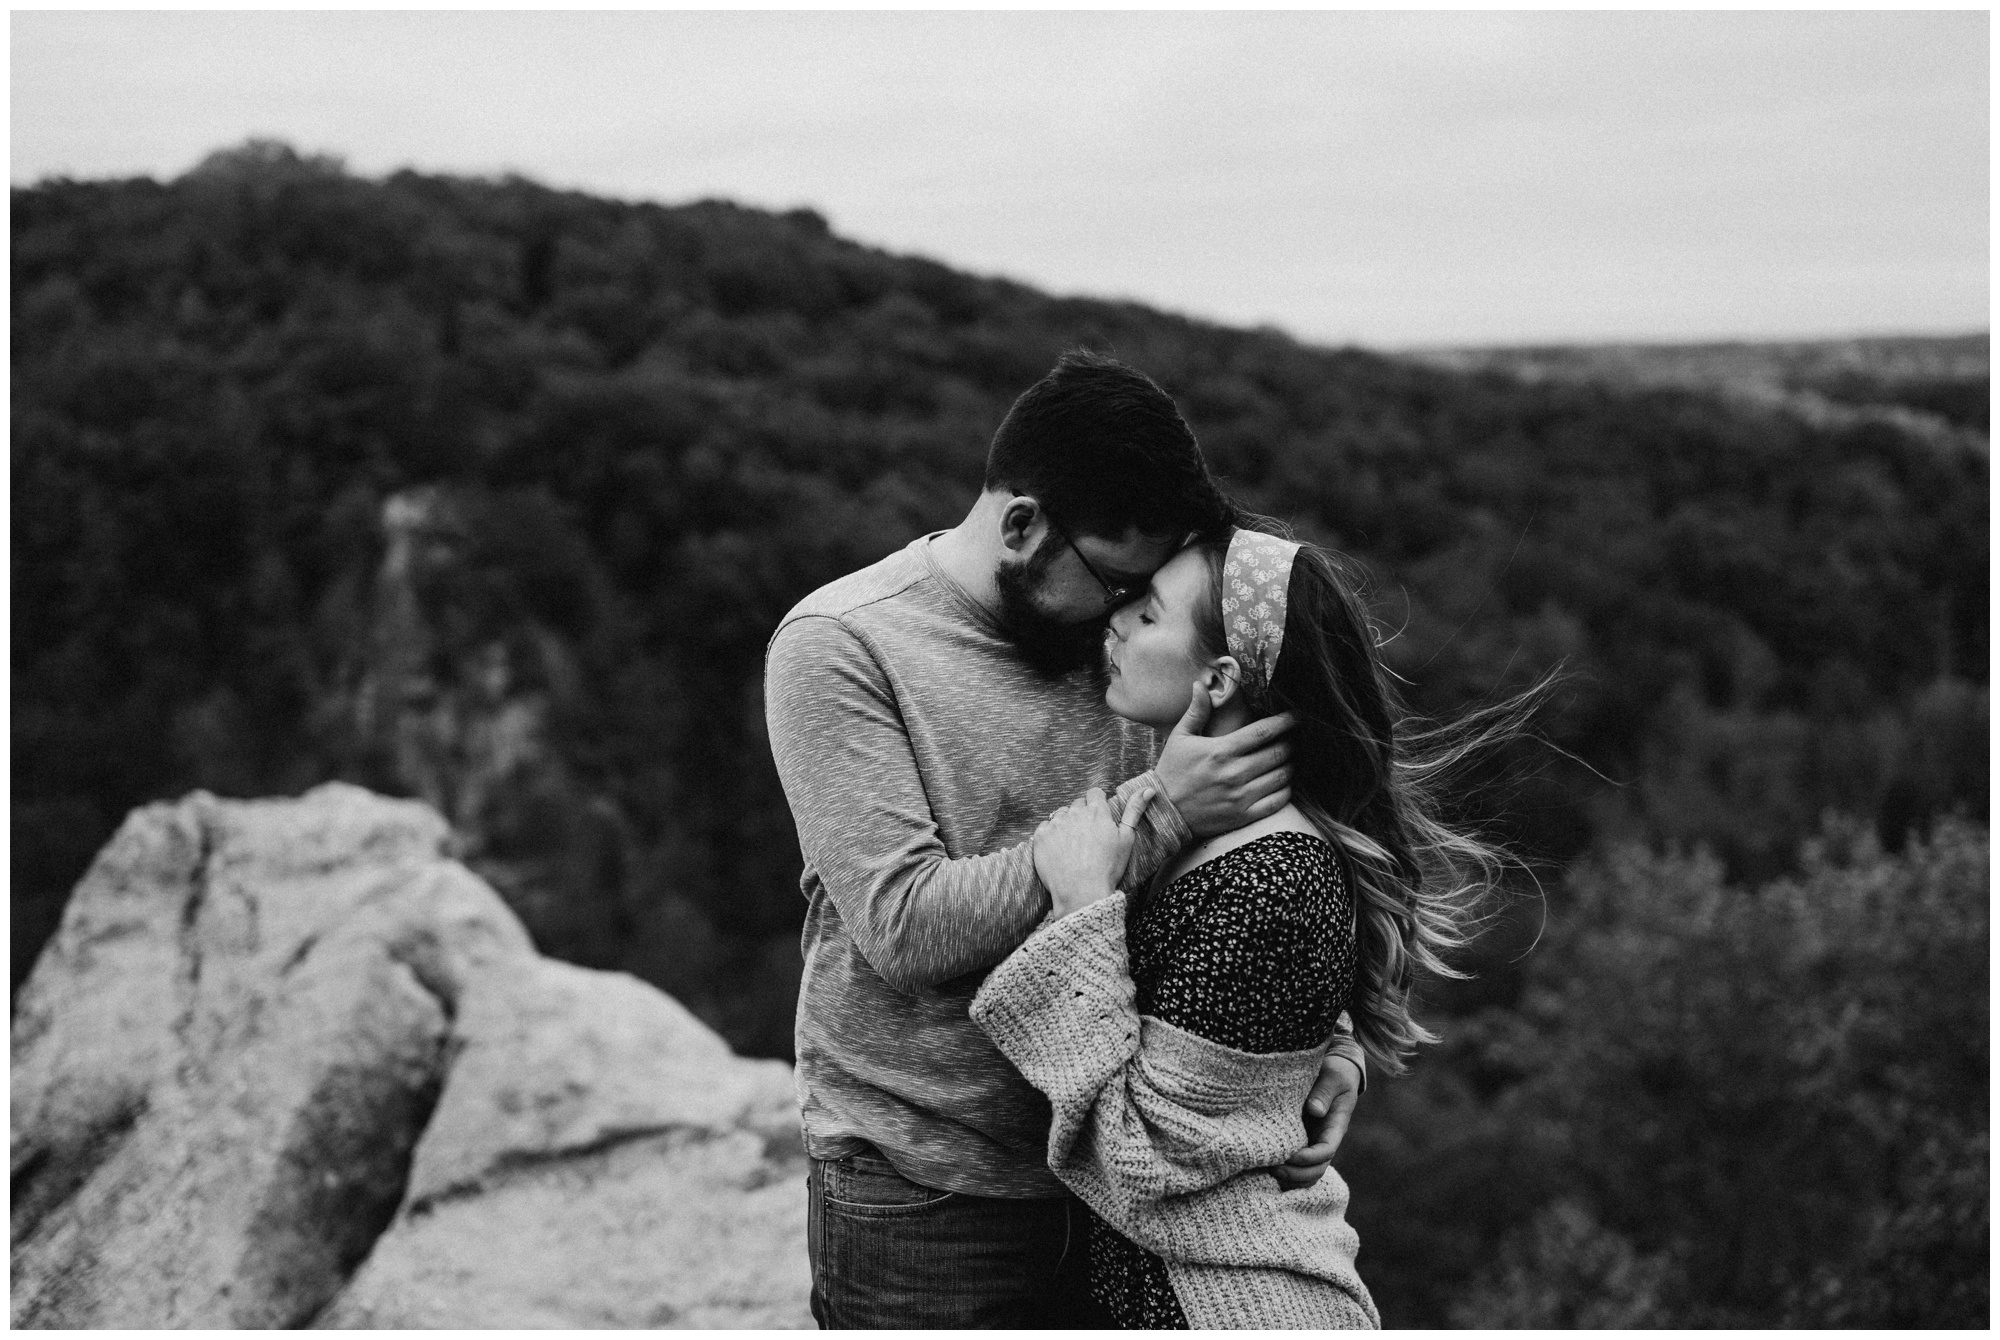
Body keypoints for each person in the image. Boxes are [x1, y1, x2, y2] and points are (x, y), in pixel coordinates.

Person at [763, 352, 1367, 1328]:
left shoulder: (1122, 642)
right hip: (931, 1186)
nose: (1125, 613)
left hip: (1125, 1178)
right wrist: (1161, 809)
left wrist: (1312, 1043)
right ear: (1021, 527)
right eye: (1117, 580)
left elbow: (1225, 877)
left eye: (1147, 592)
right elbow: (903, 928)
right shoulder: (841, 643)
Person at [971, 526, 1536, 1327]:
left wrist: (1082, 911)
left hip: (1232, 1307)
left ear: (1220, 676)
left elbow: (1143, 1165)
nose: (1115, 621)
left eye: (1148, 614)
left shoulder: (1274, 879)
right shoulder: (1202, 834)